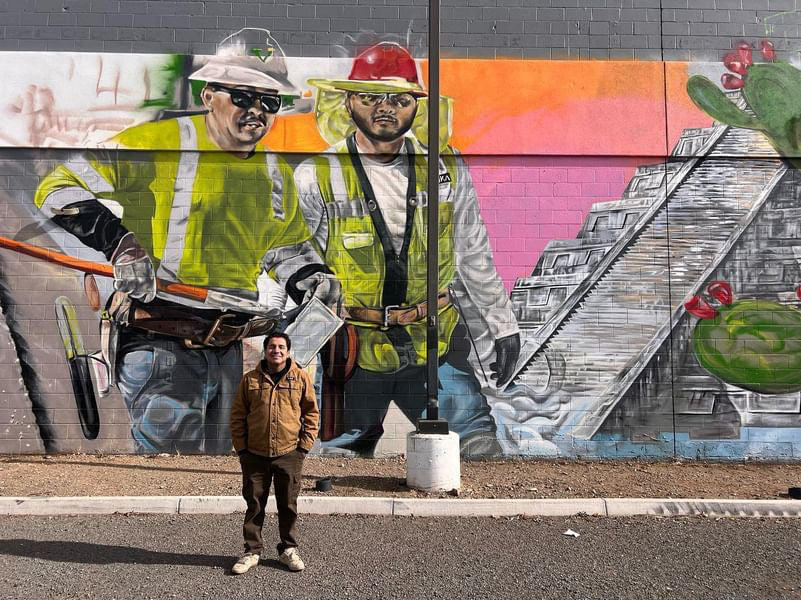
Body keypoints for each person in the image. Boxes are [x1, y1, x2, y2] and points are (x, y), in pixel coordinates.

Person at [34, 31, 339, 453]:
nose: (256, 112)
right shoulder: (156, 143)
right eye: (242, 96)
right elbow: (55, 187)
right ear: (209, 95)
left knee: (217, 477)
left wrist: (311, 275)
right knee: (173, 472)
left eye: (269, 101)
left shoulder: (273, 170)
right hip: (162, 347)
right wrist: (119, 244)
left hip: (230, 350)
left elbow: (281, 246)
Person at [295, 42, 521, 457]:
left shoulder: (445, 168)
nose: (386, 109)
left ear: (416, 106)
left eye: (399, 100)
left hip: (434, 344)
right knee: (340, 461)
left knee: (479, 446)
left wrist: (501, 326)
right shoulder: (316, 175)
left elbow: (473, 252)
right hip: (354, 353)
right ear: (348, 102)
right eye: (371, 97)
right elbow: (296, 262)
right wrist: (291, 348)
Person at [230, 332, 318, 574]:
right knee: (254, 504)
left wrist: (303, 447)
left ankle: (288, 549)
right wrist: (242, 449)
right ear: (265, 350)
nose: (276, 350)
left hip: (289, 453)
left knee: (287, 504)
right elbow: (237, 416)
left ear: (288, 351)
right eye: (271, 346)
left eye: (281, 347)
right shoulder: (250, 380)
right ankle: (251, 551)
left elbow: (311, 414)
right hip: (254, 454)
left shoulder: (300, 378)